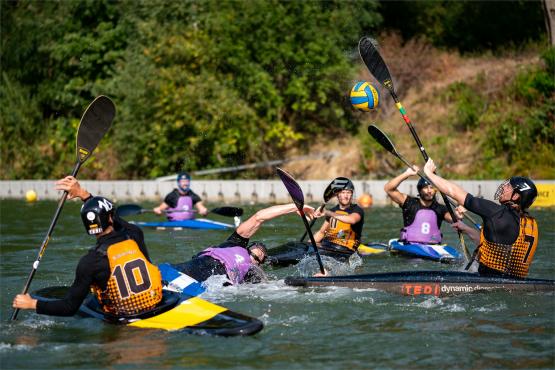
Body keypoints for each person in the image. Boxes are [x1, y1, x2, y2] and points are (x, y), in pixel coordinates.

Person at [12, 176, 163, 317]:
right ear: (110, 217)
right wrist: (83, 194)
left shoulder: (90, 262)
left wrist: (32, 303)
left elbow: (69, 307)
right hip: (156, 304)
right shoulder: (134, 234)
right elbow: (118, 221)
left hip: (122, 319)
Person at [423, 158, 539, 278]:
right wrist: (467, 229)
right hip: (518, 285)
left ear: (515, 196)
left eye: (509, 187)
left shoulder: (496, 213)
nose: (504, 187)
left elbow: (454, 192)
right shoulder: (532, 224)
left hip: (489, 281)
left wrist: (429, 173)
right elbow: (499, 248)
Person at [172, 203, 315, 285]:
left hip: (218, 278)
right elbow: (259, 217)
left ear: (259, 263)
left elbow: (271, 288)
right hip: (198, 263)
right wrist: (294, 207)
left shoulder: (252, 274)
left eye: (260, 257)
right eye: (254, 249)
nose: (257, 252)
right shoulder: (235, 242)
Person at [384, 167, 458, 245]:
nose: (429, 191)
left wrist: (458, 214)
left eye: (432, 188)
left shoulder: (440, 208)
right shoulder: (409, 203)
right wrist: (406, 174)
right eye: (426, 188)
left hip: (432, 248)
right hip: (409, 246)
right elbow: (388, 189)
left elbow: (455, 220)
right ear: (419, 190)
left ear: (435, 190)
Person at [313, 177, 365, 256]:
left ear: (352, 194)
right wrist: (307, 245)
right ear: (337, 195)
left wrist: (327, 212)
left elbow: (352, 220)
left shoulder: (357, 210)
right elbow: (321, 233)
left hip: (345, 250)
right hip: (327, 246)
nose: (346, 196)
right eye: (343, 192)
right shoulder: (333, 210)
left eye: (348, 192)